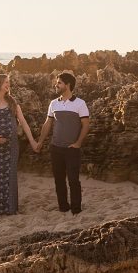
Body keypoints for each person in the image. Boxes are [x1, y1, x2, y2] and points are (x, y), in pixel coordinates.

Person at [0, 73, 39, 215]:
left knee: (9, 176)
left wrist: (32, 141)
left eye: (8, 82)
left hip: (11, 146)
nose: (8, 85)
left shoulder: (13, 102)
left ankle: (10, 208)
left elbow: (23, 122)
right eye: (5, 82)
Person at [37, 71, 90, 215]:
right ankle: (63, 207)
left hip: (72, 149)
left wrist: (78, 143)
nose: (56, 85)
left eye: (59, 82)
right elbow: (48, 123)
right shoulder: (54, 103)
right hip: (56, 148)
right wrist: (40, 142)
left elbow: (86, 124)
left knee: (73, 180)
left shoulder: (80, 103)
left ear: (68, 85)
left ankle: (76, 209)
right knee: (59, 180)